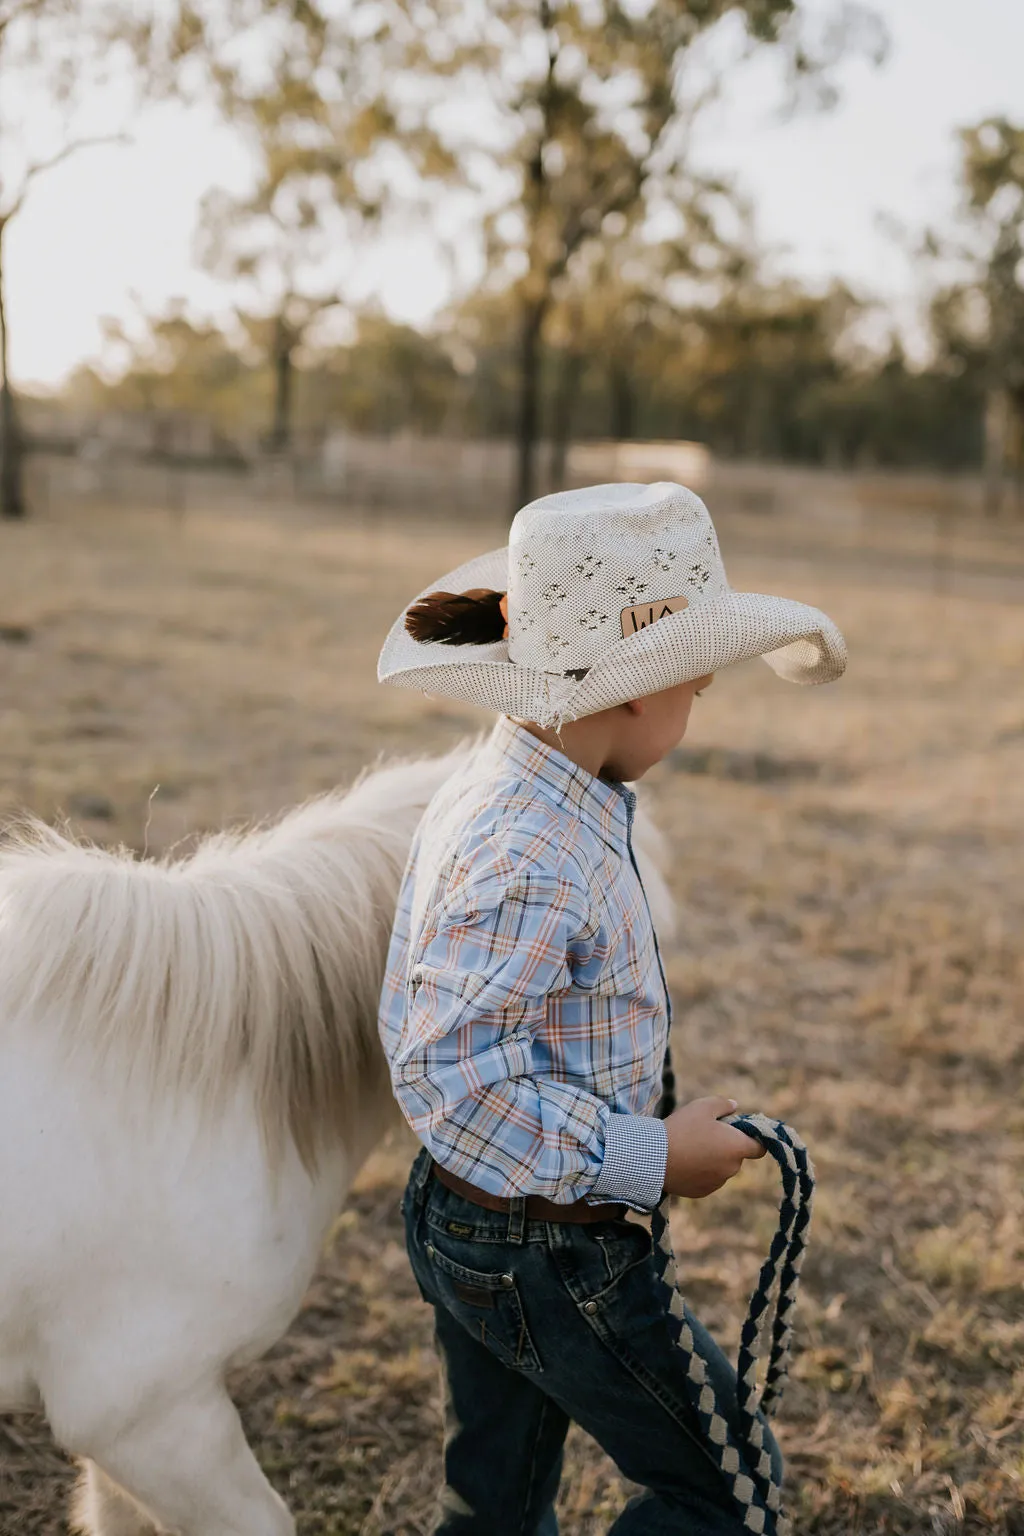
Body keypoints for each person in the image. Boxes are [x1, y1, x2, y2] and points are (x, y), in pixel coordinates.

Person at [376, 482, 846, 1535]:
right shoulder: (530, 849)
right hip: (543, 1241)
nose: (698, 706)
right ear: (640, 690)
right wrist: (650, 1156)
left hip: (479, 1218)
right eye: (698, 686)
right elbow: (452, 1076)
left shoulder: (519, 788)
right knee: (728, 1488)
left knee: (493, 1498)